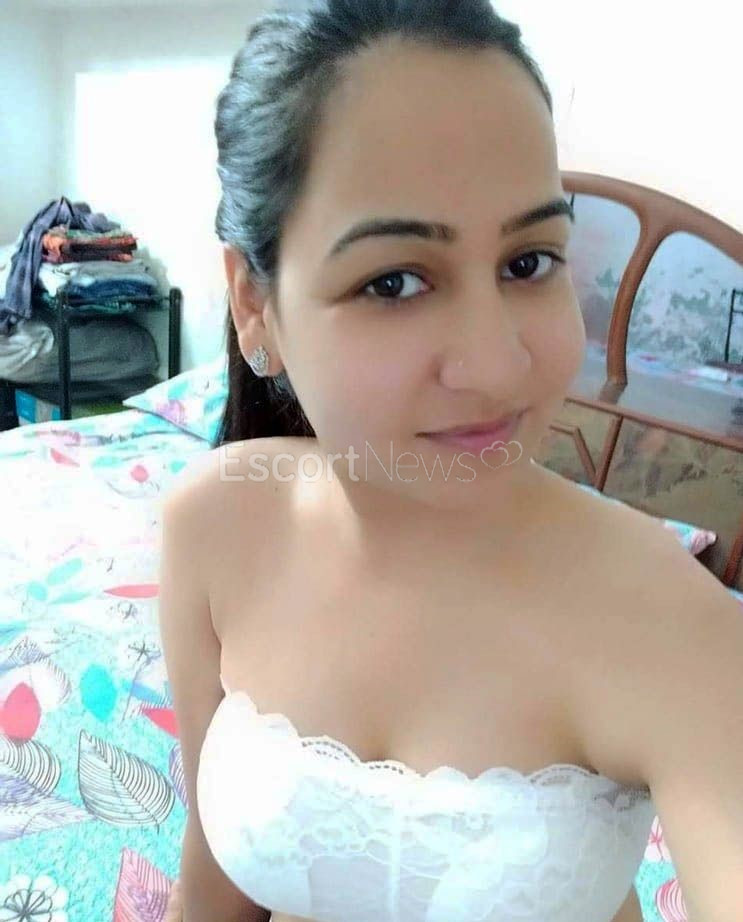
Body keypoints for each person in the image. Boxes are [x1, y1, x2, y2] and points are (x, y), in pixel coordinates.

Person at [158, 2, 743, 921]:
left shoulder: (672, 623)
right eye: (393, 282)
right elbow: (213, 890)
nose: (499, 365)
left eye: (528, 262)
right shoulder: (213, 528)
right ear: (253, 305)